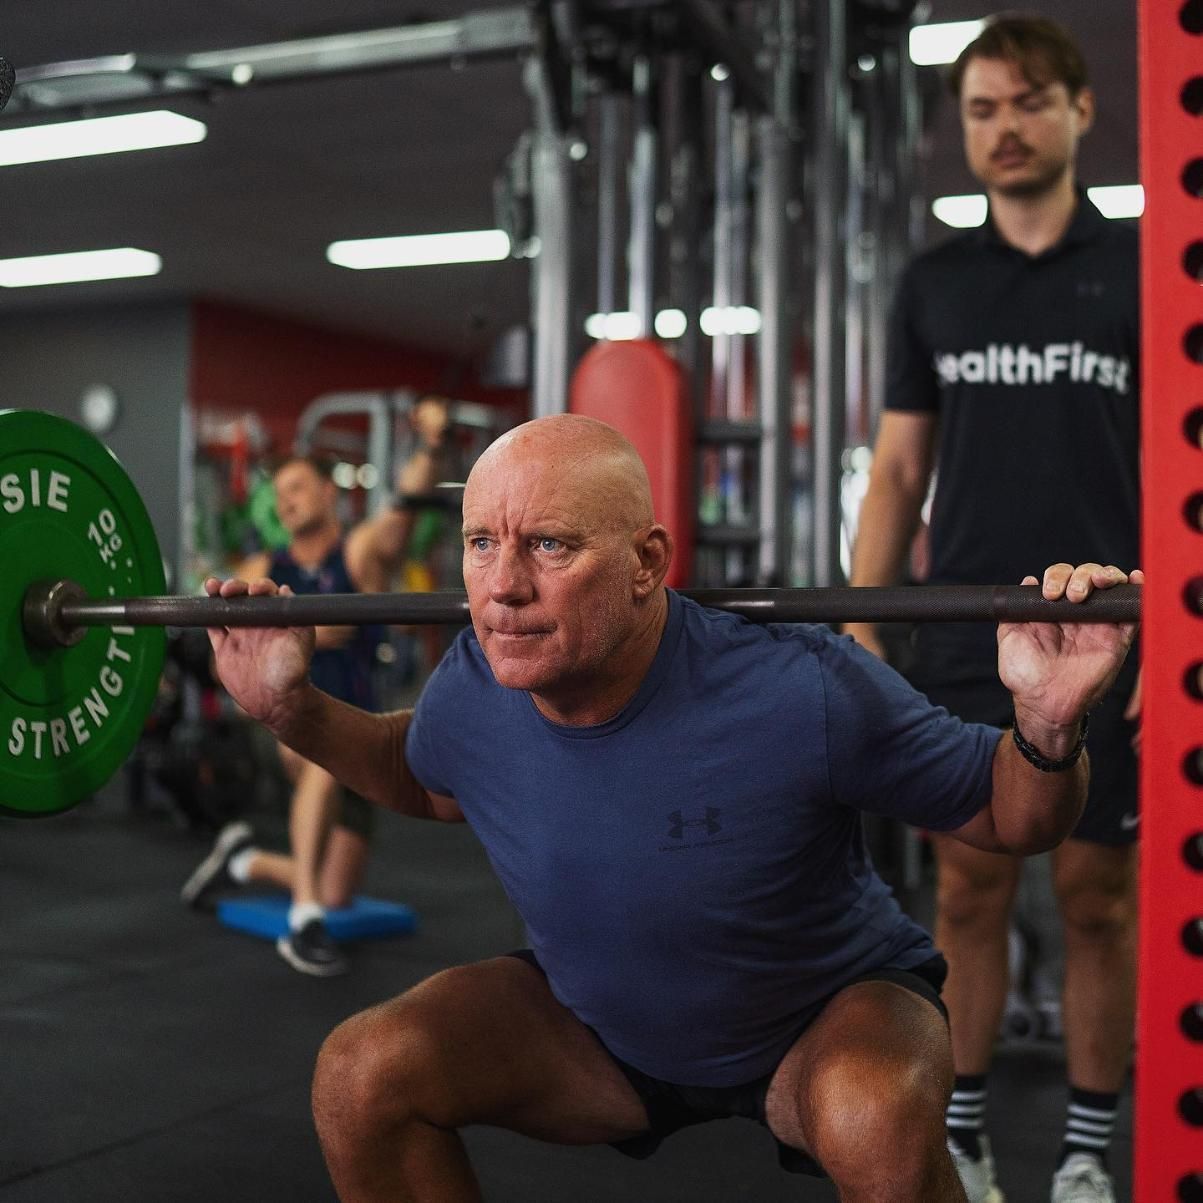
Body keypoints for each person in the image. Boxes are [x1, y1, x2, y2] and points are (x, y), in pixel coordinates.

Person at [204, 413, 1137, 1202]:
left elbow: (1012, 816)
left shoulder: (799, 687)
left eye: (549, 545)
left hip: (813, 1025)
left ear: (649, 561)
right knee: (360, 1074)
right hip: (599, 1033)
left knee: (874, 1118)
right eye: (482, 542)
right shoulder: (477, 683)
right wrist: (291, 708)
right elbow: (420, 773)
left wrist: (1048, 728)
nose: (502, 585)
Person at [845, 15, 1139, 1203]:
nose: (1003, 128)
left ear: (1079, 110)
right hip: (970, 626)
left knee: (1096, 898)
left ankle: (1083, 1154)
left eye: (1026, 102)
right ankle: (962, 1139)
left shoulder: (1138, 272)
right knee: (967, 885)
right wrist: (864, 621)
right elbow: (900, 471)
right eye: (980, 109)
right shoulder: (934, 284)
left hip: (1112, 632)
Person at [181, 397, 453, 976]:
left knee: (339, 889)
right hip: (287, 724)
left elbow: (402, 514)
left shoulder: (355, 553)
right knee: (322, 767)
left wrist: (430, 445)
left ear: (330, 494)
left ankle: (246, 861)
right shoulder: (261, 569)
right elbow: (220, 644)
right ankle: (304, 922)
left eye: (299, 488)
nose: (287, 501)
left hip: (362, 728)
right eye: (280, 496)